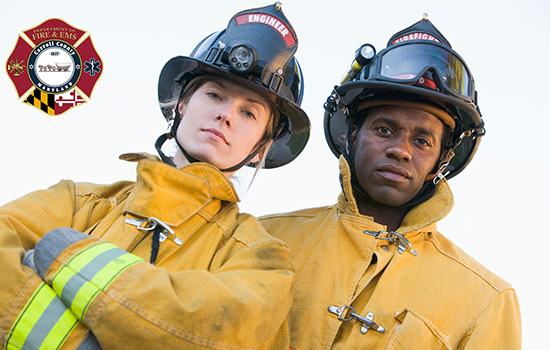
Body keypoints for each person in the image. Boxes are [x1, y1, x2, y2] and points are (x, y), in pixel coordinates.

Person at [0, 3, 310, 350]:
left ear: (263, 145)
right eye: (214, 94)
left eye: (249, 112)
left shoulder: (260, 258)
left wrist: (64, 254)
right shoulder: (78, 201)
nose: (225, 115)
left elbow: (224, 330)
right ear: (181, 104)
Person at [260, 15, 521, 349]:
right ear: (353, 134)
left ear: (443, 158)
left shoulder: (487, 301)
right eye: (384, 130)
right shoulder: (263, 239)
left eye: (423, 141)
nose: (400, 151)